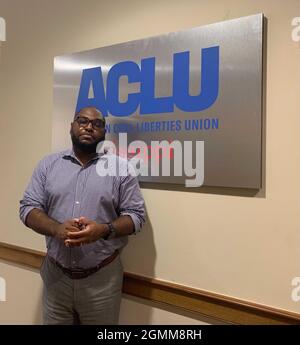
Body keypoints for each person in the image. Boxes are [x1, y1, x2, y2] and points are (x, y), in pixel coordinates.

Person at [19, 106, 145, 325]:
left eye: (97, 124)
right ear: (72, 127)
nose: (89, 127)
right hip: (55, 277)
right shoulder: (48, 165)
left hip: (102, 280)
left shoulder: (121, 169)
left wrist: (103, 230)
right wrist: (56, 229)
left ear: (104, 132)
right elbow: (28, 208)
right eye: (82, 121)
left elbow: (136, 217)